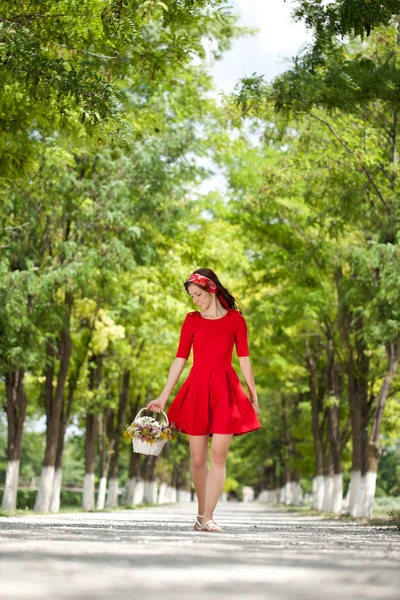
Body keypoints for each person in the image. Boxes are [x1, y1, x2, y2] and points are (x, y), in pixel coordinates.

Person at [147, 268, 261, 532]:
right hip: (197, 389)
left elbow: (244, 359)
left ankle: (208, 517)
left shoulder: (236, 320)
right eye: (191, 296)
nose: (195, 300)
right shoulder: (191, 321)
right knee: (198, 460)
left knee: (218, 457)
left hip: (226, 391)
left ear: (211, 289)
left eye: (198, 294)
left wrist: (253, 396)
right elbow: (180, 359)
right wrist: (164, 396)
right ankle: (201, 515)